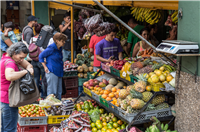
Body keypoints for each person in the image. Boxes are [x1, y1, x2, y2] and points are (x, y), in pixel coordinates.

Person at [0, 42, 33, 132]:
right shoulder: (10, 62)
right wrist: (25, 72)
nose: (22, 60)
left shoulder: (7, 57)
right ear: (14, 52)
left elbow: (28, 65)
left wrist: (29, 67)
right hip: (9, 99)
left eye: (24, 58)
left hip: (5, 98)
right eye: (21, 57)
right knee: (10, 129)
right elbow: (9, 76)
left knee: (5, 128)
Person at [39, 32, 67, 100]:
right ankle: (51, 107)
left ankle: (58, 107)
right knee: (52, 93)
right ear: (57, 41)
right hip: (52, 71)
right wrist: (45, 67)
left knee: (59, 92)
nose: (64, 42)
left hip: (59, 71)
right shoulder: (51, 48)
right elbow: (41, 56)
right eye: (62, 41)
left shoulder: (59, 48)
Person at [29, 23, 45, 96]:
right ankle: (44, 95)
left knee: (36, 78)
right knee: (44, 79)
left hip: (33, 61)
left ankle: (36, 95)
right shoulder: (43, 39)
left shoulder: (32, 39)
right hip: (42, 61)